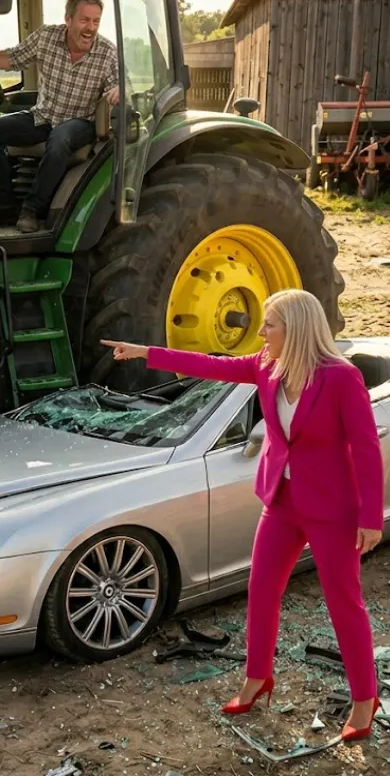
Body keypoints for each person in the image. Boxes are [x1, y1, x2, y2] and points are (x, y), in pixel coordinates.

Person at [101, 288, 385, 742]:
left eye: (269, 324)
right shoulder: (267, 366)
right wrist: (145, 352)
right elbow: (211, 365)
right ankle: (258, 678)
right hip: (281, 500)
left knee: (342, 602)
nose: (260, 332)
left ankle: (364, 699)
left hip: (332, 509)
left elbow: (367, 449)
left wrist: (371, 517)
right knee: (261, 589)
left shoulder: (340, 378)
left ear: (294, 328)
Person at [0, 0, 126, 233]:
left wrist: (118, 89)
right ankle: (5, 203)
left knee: (61, 137)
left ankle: (32, 209)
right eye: (85, 20)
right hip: (43, 115)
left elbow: (118, 84)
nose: (91, 28)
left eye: (96, 21)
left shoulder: (107, 52)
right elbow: (13, 58)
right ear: (68, 19)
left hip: (80, 122)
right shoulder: (46, 37)